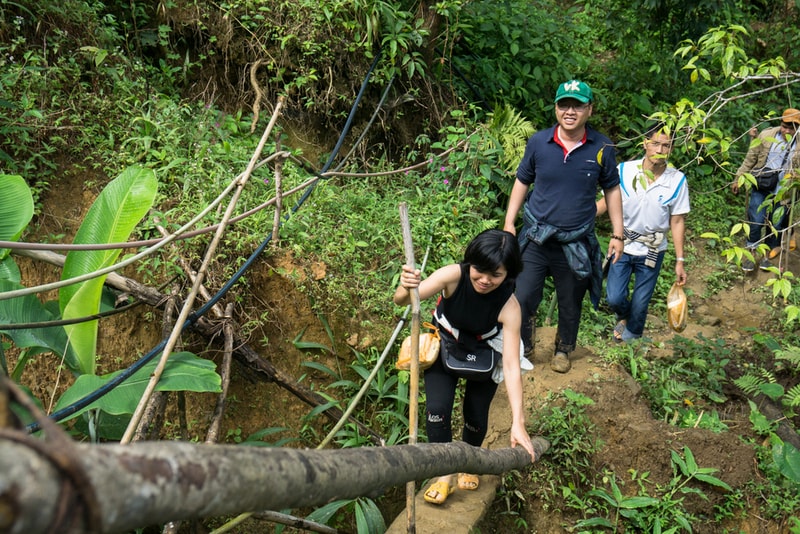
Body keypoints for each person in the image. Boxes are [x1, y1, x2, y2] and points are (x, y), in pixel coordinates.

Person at [393, 229, 536, 505]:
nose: (484, 280)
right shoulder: (452, 276)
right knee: (437, 410)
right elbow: (403, 300)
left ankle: (469, 461)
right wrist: (405, 285)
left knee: (476, 415)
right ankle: (444, 473)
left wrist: (518, 422)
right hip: (445, 344)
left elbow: (510, 364)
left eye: (496, 275)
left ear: (509, 274)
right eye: (479, 271)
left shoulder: (510, 305)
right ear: (470, 263)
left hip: (484, 353)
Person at [503, 79, 624, 373]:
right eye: (564, 104)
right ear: (556, 108)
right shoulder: (538, 143)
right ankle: (525, 347)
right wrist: (509, 222)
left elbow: (612, 190)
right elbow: (522, 180)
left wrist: (618, 234)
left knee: (571, 301)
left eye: (577, 105)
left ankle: (563, 349)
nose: (570, 111)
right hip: (536, 237)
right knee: (523, 294)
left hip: (576, 240)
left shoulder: (602, 147)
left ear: (589, 110)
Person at [596, 125, 690, 343]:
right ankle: (624, 316)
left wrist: (680, 260)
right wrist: (581, 214)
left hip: (653, 249)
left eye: (666, 145)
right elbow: (607, 202)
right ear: (645, 144)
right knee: (614, 296)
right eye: (655, 143)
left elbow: (677, 221)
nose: (660, 149)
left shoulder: (676, 180)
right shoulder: (625, 171)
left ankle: (632, 337)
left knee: (641, 301)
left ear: (671, 148)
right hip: (623, 243)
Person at [732, 108, 800, 272]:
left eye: (792, 128)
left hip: (783, 192)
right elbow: (751, 158)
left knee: (775, 223)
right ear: (780, 123)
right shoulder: (766, 136)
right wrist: (738, 178)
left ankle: (767, 255)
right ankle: (752, 252)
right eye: (785, 126)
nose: (787, 131)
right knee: (755, 218)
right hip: (761, 184)